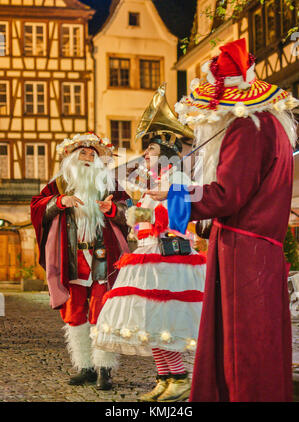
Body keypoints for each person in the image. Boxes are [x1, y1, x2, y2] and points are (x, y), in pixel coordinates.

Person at [147, 38, 299, 402]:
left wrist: (174, 195)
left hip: (242, 250)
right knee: (259, 340)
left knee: (241, 342)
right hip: (261, 246)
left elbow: (228, 194)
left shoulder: (246, 128)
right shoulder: (271, 125)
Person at [91, 129, 206, 402]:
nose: (144, 154)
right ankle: (165, 378)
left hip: (165, 256)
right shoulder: (153, 182)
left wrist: (159, 202)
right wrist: (122, 210)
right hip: (146, 254)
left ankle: (178, 378)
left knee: (162, 317)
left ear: (167, 155)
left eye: (151, 150)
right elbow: (144, 219)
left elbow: (179, 215)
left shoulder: (177, 178)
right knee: (149, 321)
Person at [31, 132, 129, 390]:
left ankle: (104, 369)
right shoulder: (59, 185)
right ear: (72, 158)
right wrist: (59, 201)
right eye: (82, 153)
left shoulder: (110, 185)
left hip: (103, 259)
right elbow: (37, 206)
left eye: (92, 154)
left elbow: (129, 209)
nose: (87, 157)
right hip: (71, 260)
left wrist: (114, 210)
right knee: (75, 315)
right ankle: (85, 367)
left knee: (102, 313)